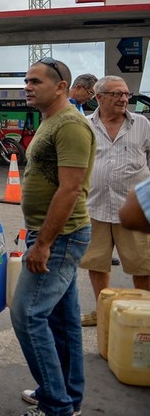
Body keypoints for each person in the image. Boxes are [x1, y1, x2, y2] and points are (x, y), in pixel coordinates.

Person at [11, 57, 95, 416]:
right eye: (27, 80)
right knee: (61, 320)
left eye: (36, 81)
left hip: (61, 237)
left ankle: (56, 405)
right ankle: (65, 395)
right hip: (50, 234)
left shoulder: (71, 125)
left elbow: (71, 189)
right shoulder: (50, 120)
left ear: (61, 86)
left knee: (27, 315)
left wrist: (43, 243)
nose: (28, 86)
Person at [78, 75, 150, 327]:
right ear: (99, 97)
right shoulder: (84, 124)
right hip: (94, 206)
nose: (124, 99)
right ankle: (102, 311)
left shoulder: (142, 124)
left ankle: (144, 314)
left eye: (126, 94)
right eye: (117, 94)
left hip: (133, 209)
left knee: (142, 264)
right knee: (97, 263)